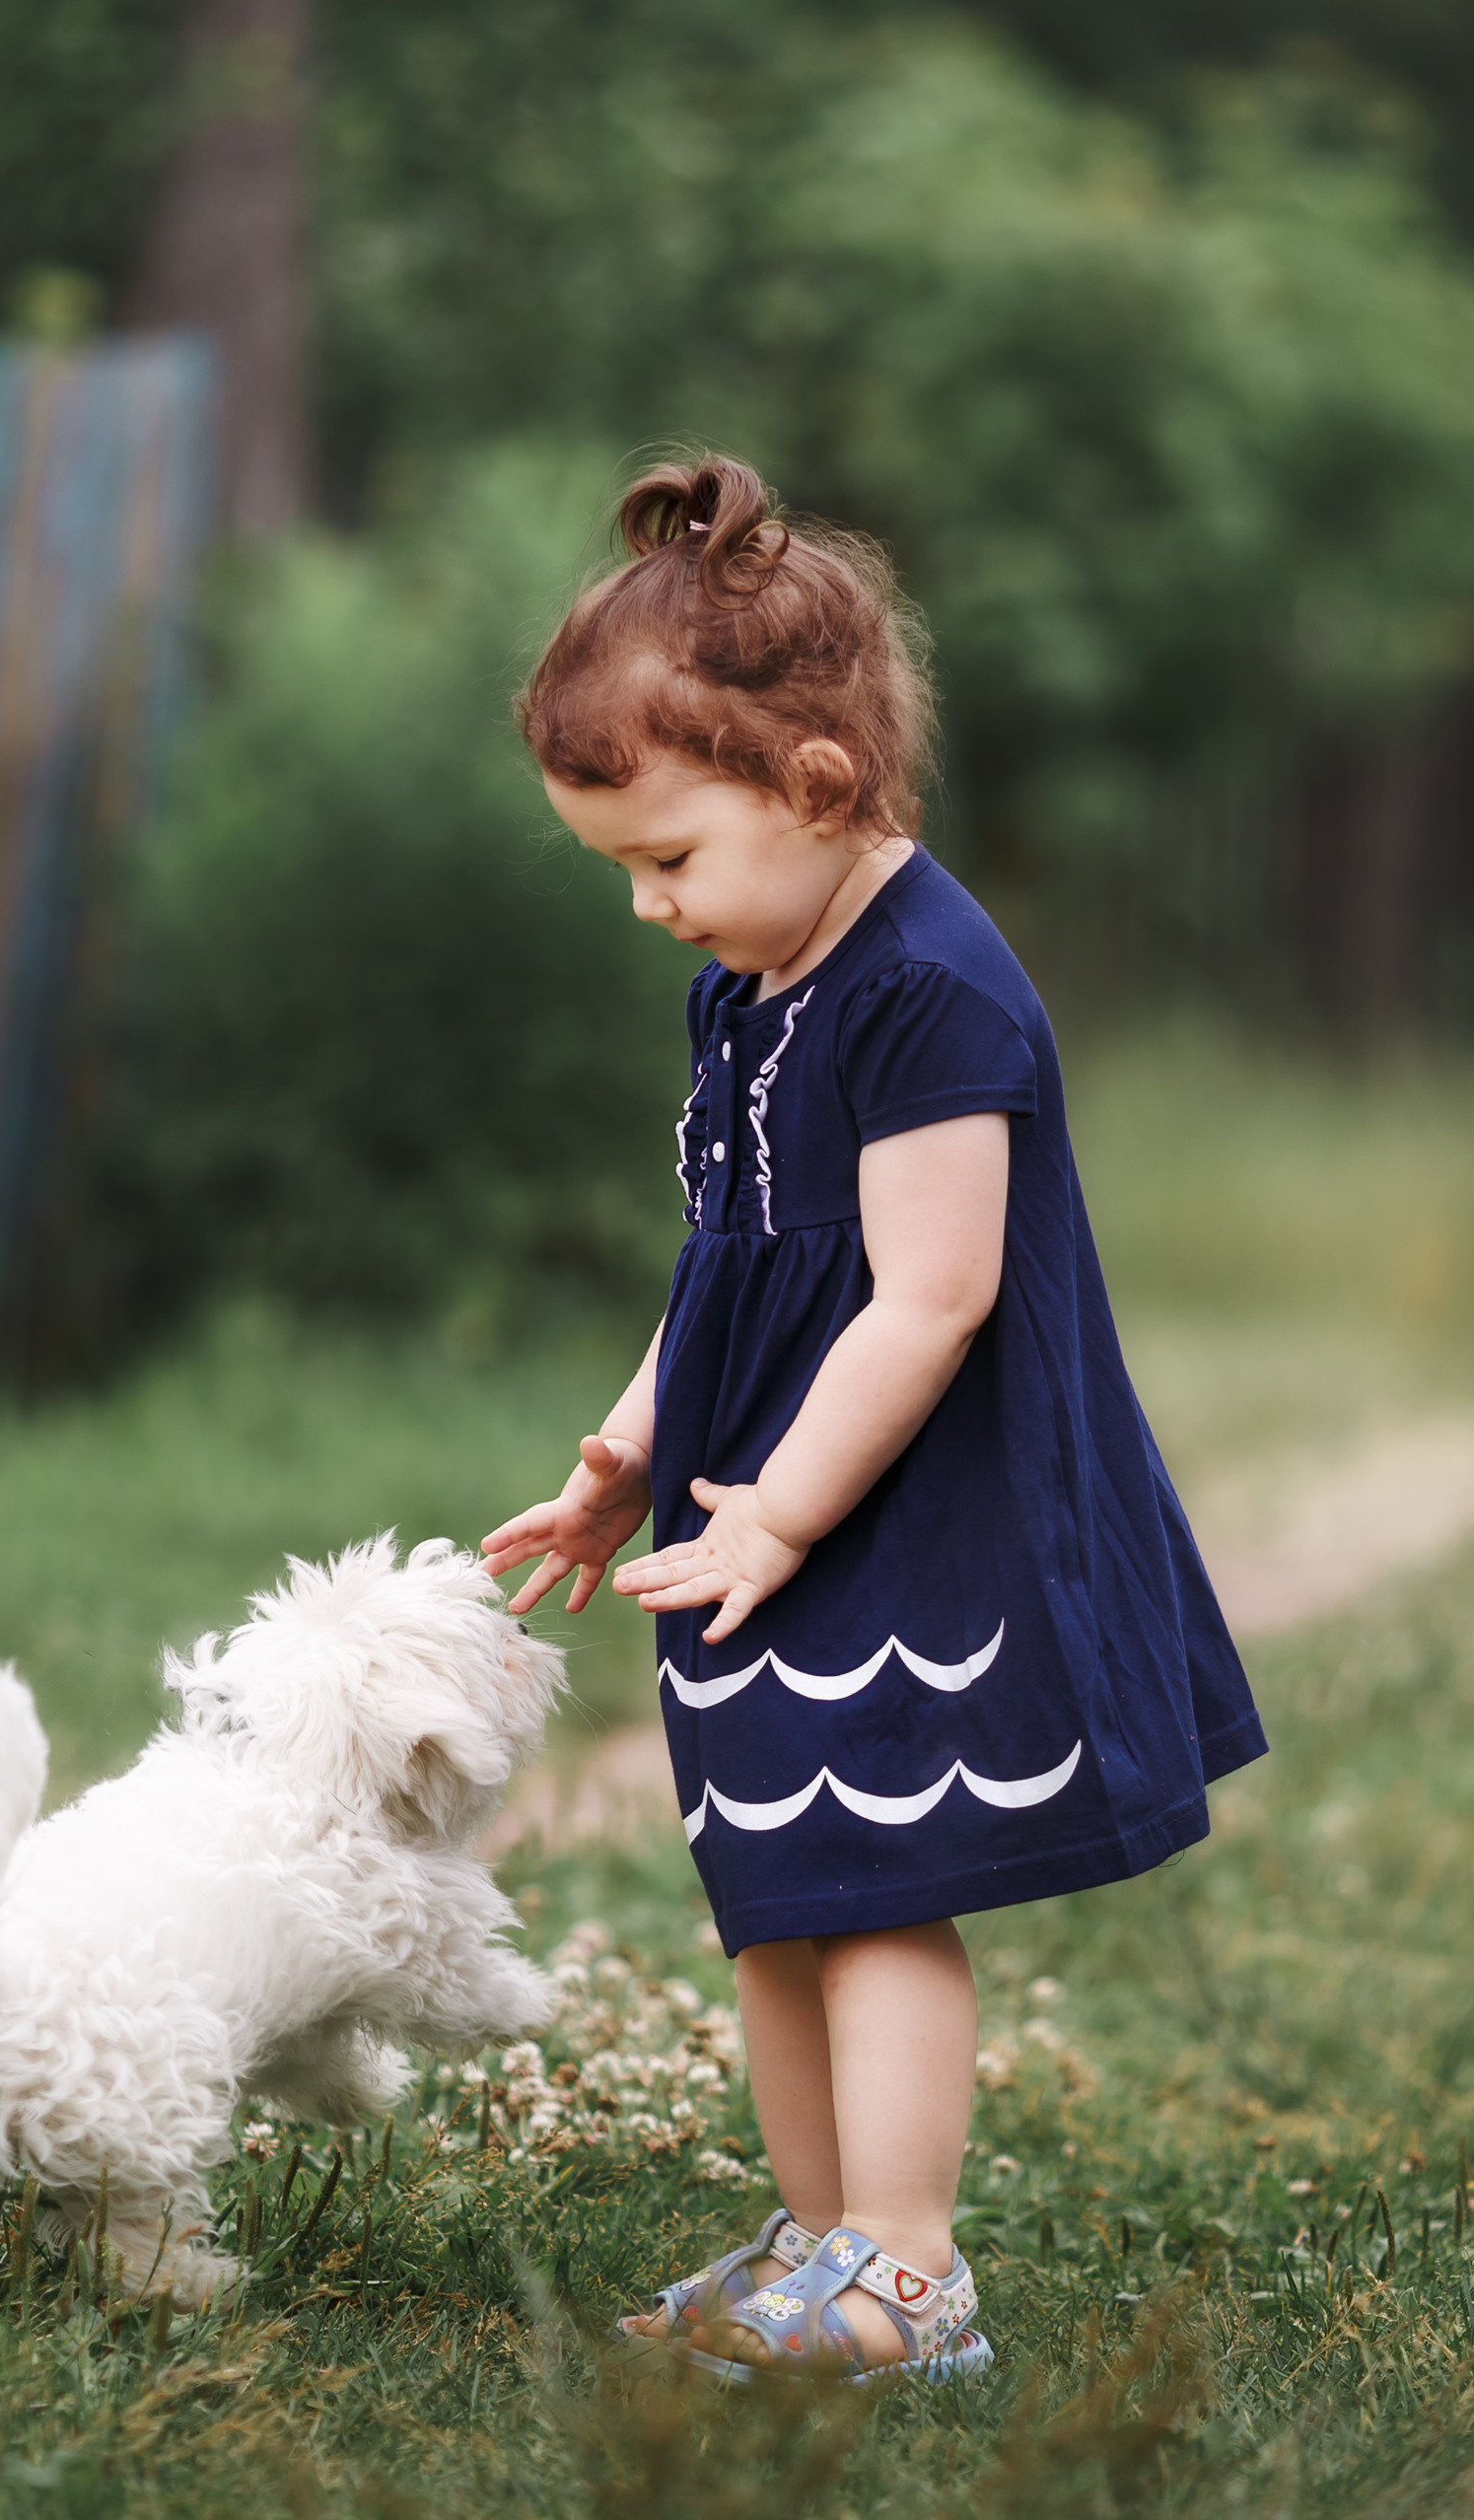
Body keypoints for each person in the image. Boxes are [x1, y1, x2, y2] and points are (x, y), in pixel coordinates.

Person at [481, 455, 1264, 2384]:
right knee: (783, 1875)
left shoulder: (928, 993)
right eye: (622, 870)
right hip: (765, 1494)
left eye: (666, 853)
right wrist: (632, 1452)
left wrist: (776, 1514)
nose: (649, 903)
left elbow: (930, 1294)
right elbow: (735, 1267)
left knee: (886, 1869)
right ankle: (816, 2240)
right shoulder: (753, 984)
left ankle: (906, 2268)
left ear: (816, 784)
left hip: (907, 1516)